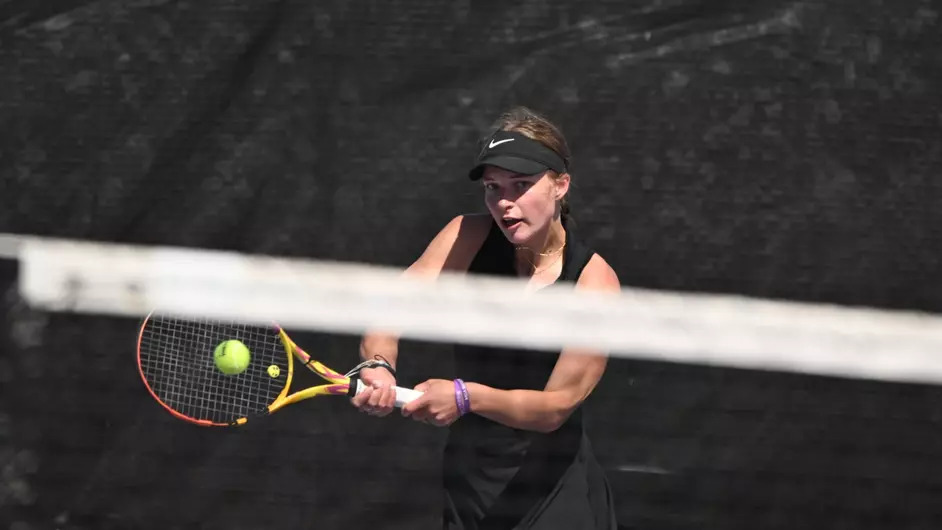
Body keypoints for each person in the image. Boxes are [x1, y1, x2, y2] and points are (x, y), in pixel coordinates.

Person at [351, 106, 621, 529]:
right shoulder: (468, 236)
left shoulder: (594, 283)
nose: (505, 202)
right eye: (494, 187)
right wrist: (378, 364)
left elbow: (555, 407)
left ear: (560, 186)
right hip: (470, 481)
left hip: (551, 491)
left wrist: (465, 396)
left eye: (521, 185)